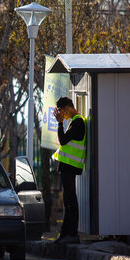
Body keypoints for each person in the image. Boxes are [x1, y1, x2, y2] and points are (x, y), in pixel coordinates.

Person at [52, 97, 86, 244]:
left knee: (70, 200)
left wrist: (60, 124)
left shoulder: (78, 121)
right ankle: (66, 233)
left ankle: (72, 234)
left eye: (61, 112)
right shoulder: (75, 122)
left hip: (70, 167)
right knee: (67, 200)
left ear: (67, 108)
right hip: (67, 167)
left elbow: (63, 140)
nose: (62, 115)